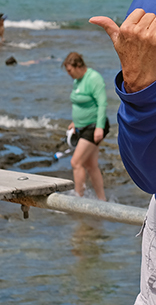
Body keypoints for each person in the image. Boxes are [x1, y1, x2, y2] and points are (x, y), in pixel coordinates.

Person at [62, 51, 109, 200]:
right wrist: (75, 121)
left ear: (78, 66)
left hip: (94, 126)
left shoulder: (94, 78)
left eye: (69, 70)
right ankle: (102, 200)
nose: (68, 74)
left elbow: (102, 103)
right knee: (90, 165)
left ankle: (78, 199)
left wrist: (99, 127)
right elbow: (81, 103)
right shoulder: (77, 80)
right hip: (81, 127)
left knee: (76, 162)